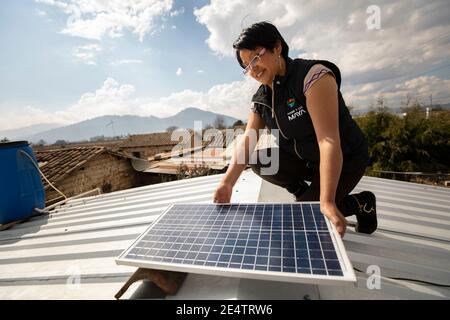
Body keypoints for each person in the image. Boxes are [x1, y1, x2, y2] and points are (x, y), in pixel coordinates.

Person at [213, 21, 377, 237]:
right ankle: (306, 195)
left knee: (299, 220)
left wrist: (326, 201)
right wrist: (227, 184)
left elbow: (328, 140)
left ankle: (359, 202)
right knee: (258, 158)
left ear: (277, 47)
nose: (252, 69)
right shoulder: (261, 99)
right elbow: (248, 140)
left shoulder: (313, 76)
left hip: (345, 158)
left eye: (255, 57)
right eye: (246, 66)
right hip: (309, 161)